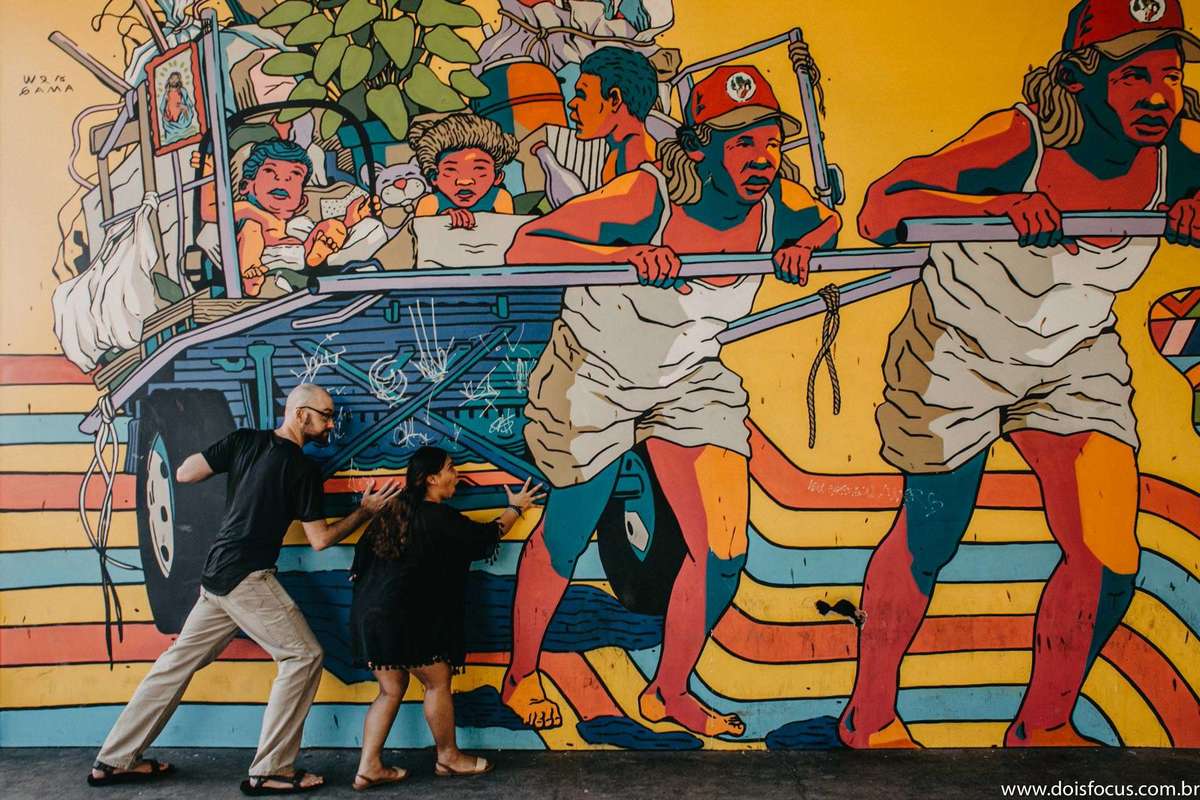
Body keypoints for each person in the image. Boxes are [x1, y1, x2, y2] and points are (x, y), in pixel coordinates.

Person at [841, 0, 1200, 749]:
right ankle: (869, 716)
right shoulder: (1018, 139)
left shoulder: (1180, 154)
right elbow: (879, 210)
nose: (1158, 96)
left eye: (1170, 75)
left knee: (1110, 555)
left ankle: (1044, 724)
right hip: (959, 351)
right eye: (1133, 77)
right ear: (1078, 79)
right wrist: (1001, 205)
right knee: (931, 536)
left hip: (1074, 355)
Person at [501, 65, 841, 737]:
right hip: (596, 371)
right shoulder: (643, 196)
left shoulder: (779, 203)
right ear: (699, 148)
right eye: (742, 144)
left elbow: (827, 221)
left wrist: (802, 247)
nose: (763, 158)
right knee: (567, 533)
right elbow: (524, 247)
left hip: (687, 375)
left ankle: (669, 690)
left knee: (725, 550)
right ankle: (521, 675)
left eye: (771, 141)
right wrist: (624, 256)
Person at [87, 384, 401, 794]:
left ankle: (114, 759)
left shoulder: (243, 441)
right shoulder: (302, 468)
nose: (330, 424)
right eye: (325, 415)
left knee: (174, 665)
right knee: (304, 656)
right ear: (301, 414)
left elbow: (185, 473)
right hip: (247, 577)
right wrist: (364, 512)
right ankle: (271, 769)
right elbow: (320, 539)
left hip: (216, 574)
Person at [348, 447, 544, 787]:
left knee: (390, 689)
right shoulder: (440, 517)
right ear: (431, 478)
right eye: (451, 468)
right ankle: (449, 757)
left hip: (370, 614)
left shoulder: (391, 512)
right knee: (437, 680)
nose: (457, 474)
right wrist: (515, 507)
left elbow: (360, 560)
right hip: (402, 616)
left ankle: (369, 766)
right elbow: (485, 537)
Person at [195, 139, 379, 296]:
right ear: (245, 186)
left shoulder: (298, 225)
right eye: (270, 171)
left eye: (295, 174)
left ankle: (316, 258)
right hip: (264, 261)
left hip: (300, 252)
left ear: (301, 201)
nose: (282, 180)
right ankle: (250, 276)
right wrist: (208, 173)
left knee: (332, 227)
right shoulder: (247, 210)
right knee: (252, 229)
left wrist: (351, 219)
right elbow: (210, 211)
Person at [411, 114, 519, 230]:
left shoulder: (500, 197)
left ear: (497, 177)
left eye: (479, 169)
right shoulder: (430, 203)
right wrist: (442, 221)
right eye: (451, 170)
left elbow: (508, 232)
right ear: (434, 177)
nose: (465, 181)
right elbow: (421, 235)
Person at [568, 46, 659, 184]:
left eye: (582, 95)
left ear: (614, 99)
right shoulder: (622, 149)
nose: (572, 103)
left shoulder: (634, 156)